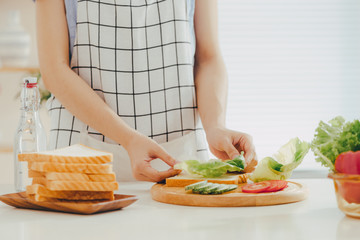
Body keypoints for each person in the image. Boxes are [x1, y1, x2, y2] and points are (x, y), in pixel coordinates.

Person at [36, 0, 257, 182]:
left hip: (178, 153)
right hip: (81, 155)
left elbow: (208, 58)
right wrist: (128, 139)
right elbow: (54, 70)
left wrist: (215, 125)